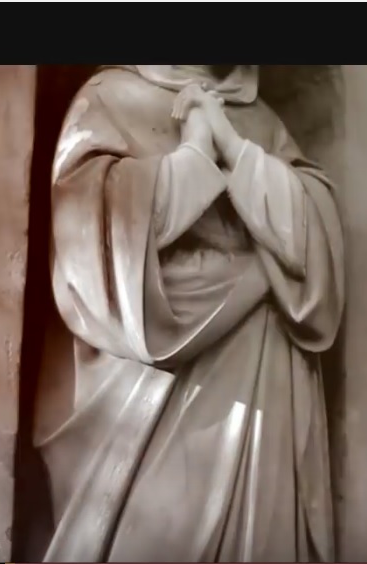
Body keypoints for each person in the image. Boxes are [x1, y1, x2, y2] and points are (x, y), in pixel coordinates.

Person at [37, 65, 344, 562]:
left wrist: (235, 150)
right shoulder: (108, 100)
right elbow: (90, 249)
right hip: (147, 402)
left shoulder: (263, 123)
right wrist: (195, 159)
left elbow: (318, 252)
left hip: (260, 391)